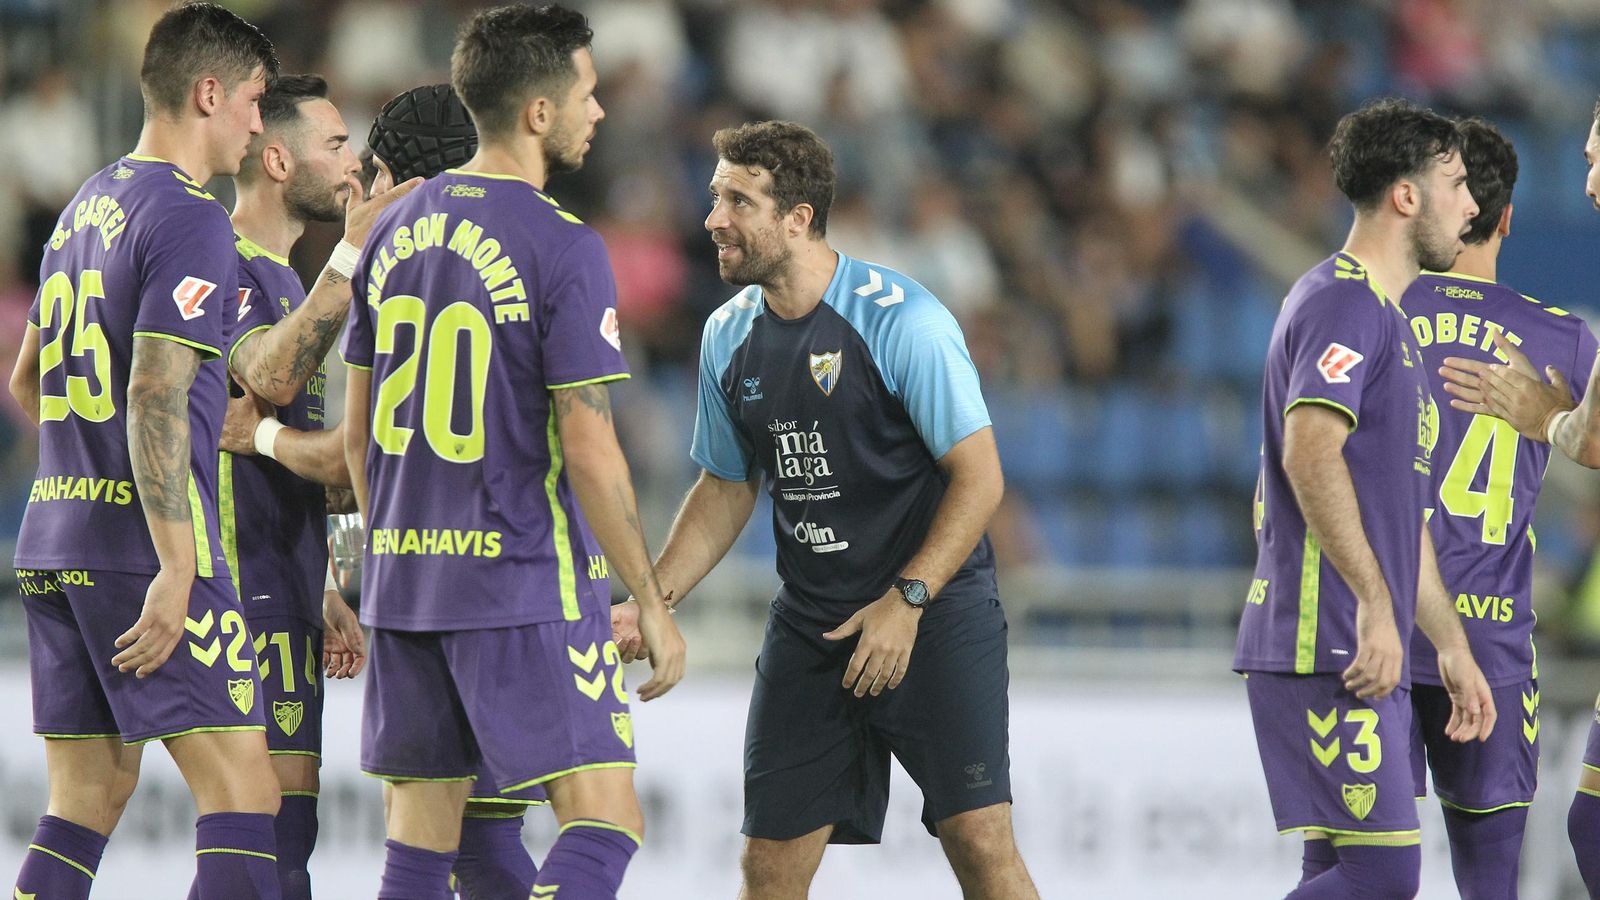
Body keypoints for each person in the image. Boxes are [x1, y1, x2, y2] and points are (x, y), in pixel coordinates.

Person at [610, 119, 1037, 899]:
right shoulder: (726, 335)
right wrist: (653, 599)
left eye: (738, 201)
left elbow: (980, 478)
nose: (713, 219)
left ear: (797, 218)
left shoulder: (904, 319)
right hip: (814, 622)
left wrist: (907, 600)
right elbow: (726, 486)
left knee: (980, 840)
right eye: (715, 197)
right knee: (769, 867)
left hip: (932, 616)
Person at [340, 6, 684, 898]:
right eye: (587, 93)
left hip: (405, 585)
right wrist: (650, 600)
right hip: (520, 580)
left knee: (421, 849)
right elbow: (591, 446)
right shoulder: (563, 243)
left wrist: (393, 551)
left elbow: (356, 433)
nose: (597, 111)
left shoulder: (390, 230)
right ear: (538, 111)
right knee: (606, 819)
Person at [4, 4, 283, 898]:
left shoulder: (84, 206)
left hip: (53, 537)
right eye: (253, 100)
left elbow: (25, 381)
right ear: (209, 93)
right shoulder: (190, 215)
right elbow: (156, 392)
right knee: (246, 792)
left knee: (87, 796)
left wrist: (82, 471)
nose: (257, 124)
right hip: (143, 547)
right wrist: (175, 560)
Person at [1231, 98, 1496, 899]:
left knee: (1337, 871)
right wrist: (1378, 610)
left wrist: (1448, 644)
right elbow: (1309, 453)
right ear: (1406, 196)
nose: (1472, 206)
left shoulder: (1387, 321)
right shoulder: (1341, 300)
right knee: (1382, 876)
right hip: (1329, 637)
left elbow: (1399, 520)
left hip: (1357, 638)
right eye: (1456, 184)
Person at [222, 71, 427, 899]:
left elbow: (330, 461)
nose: (354, 164)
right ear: (278, 160)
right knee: (263, 840)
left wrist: (332, 579)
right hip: (240, 584)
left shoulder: (294, 281)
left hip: (290, 579)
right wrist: (352, 252)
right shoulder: (222, 260)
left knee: (281, 840)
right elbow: (268, 380)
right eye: (338, 144)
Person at [1394, 117, 1597, 900]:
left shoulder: (1376, 309)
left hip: (1382, 624)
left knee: (1355, 870)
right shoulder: (1564, 339)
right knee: (1492, 885)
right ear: (1507, 217)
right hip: (1493, 641)